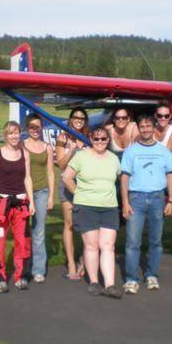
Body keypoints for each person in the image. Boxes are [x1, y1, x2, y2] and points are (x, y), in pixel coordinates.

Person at [63, 126, 122, 298]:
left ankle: (110, 285)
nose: (100, 142)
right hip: (86, 207)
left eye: (103, 139)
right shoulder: (81, 156)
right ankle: (94, 282)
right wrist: (78, 193)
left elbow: (119, 178)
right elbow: (66, 177)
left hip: (109, 207)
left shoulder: (113, 159)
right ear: (90, 139)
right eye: (96, 139)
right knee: (91, 246)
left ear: (108, 140)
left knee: (108, 246)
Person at [121, 114, 172, 294]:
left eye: (148, 126)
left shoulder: (163, 151)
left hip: (157, 199)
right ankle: (131, 279)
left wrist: (170, 200)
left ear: (154, 128)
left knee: (156, 241)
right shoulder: (131, 151)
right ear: (138, 128)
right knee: (132, 242)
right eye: (142, 126)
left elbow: (170, 176)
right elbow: (124, 178)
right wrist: (125, 202)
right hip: (136, 199)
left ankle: (152, 275)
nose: (145, 129)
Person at [0, 121, 35, 293]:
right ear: (5, 136)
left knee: (22, 241)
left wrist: (32, 202)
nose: (14, 136)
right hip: (2, 204)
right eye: (11, 133)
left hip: (21, 203)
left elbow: (27, 178)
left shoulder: (25, 154)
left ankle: (21, 276)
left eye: (17, 133)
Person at [55, 108, 89, 281]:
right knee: (69, 224)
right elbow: (60, 165)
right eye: (75, 117)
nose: (78, 120)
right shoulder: (63, 138)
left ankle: (84, 259)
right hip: (67, 185)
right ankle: (70, 263)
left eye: (82, 118)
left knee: (85, 224)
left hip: (85, 187)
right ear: (70, 119)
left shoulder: (89, 137)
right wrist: (72, 149)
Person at [23, 114, 54, 283]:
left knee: (39, 232)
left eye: (38, 127)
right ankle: (23, 268)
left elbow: (50, 172)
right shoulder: (21, 146)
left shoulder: (47, 147)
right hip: (24, 192)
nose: (35, 130)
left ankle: (38, 269)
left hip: (41, 192)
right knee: (23, 232)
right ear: (27, 128)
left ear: (42, 128)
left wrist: (50, 197)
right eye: (32, 127)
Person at [154, 101, 172, 166]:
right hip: (153, 168)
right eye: (159, 116)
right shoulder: (151, 130)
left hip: (169, 170)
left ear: (170, 116)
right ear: (155, 115)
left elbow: (165, 154)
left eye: (166, 116)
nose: (163, 118)